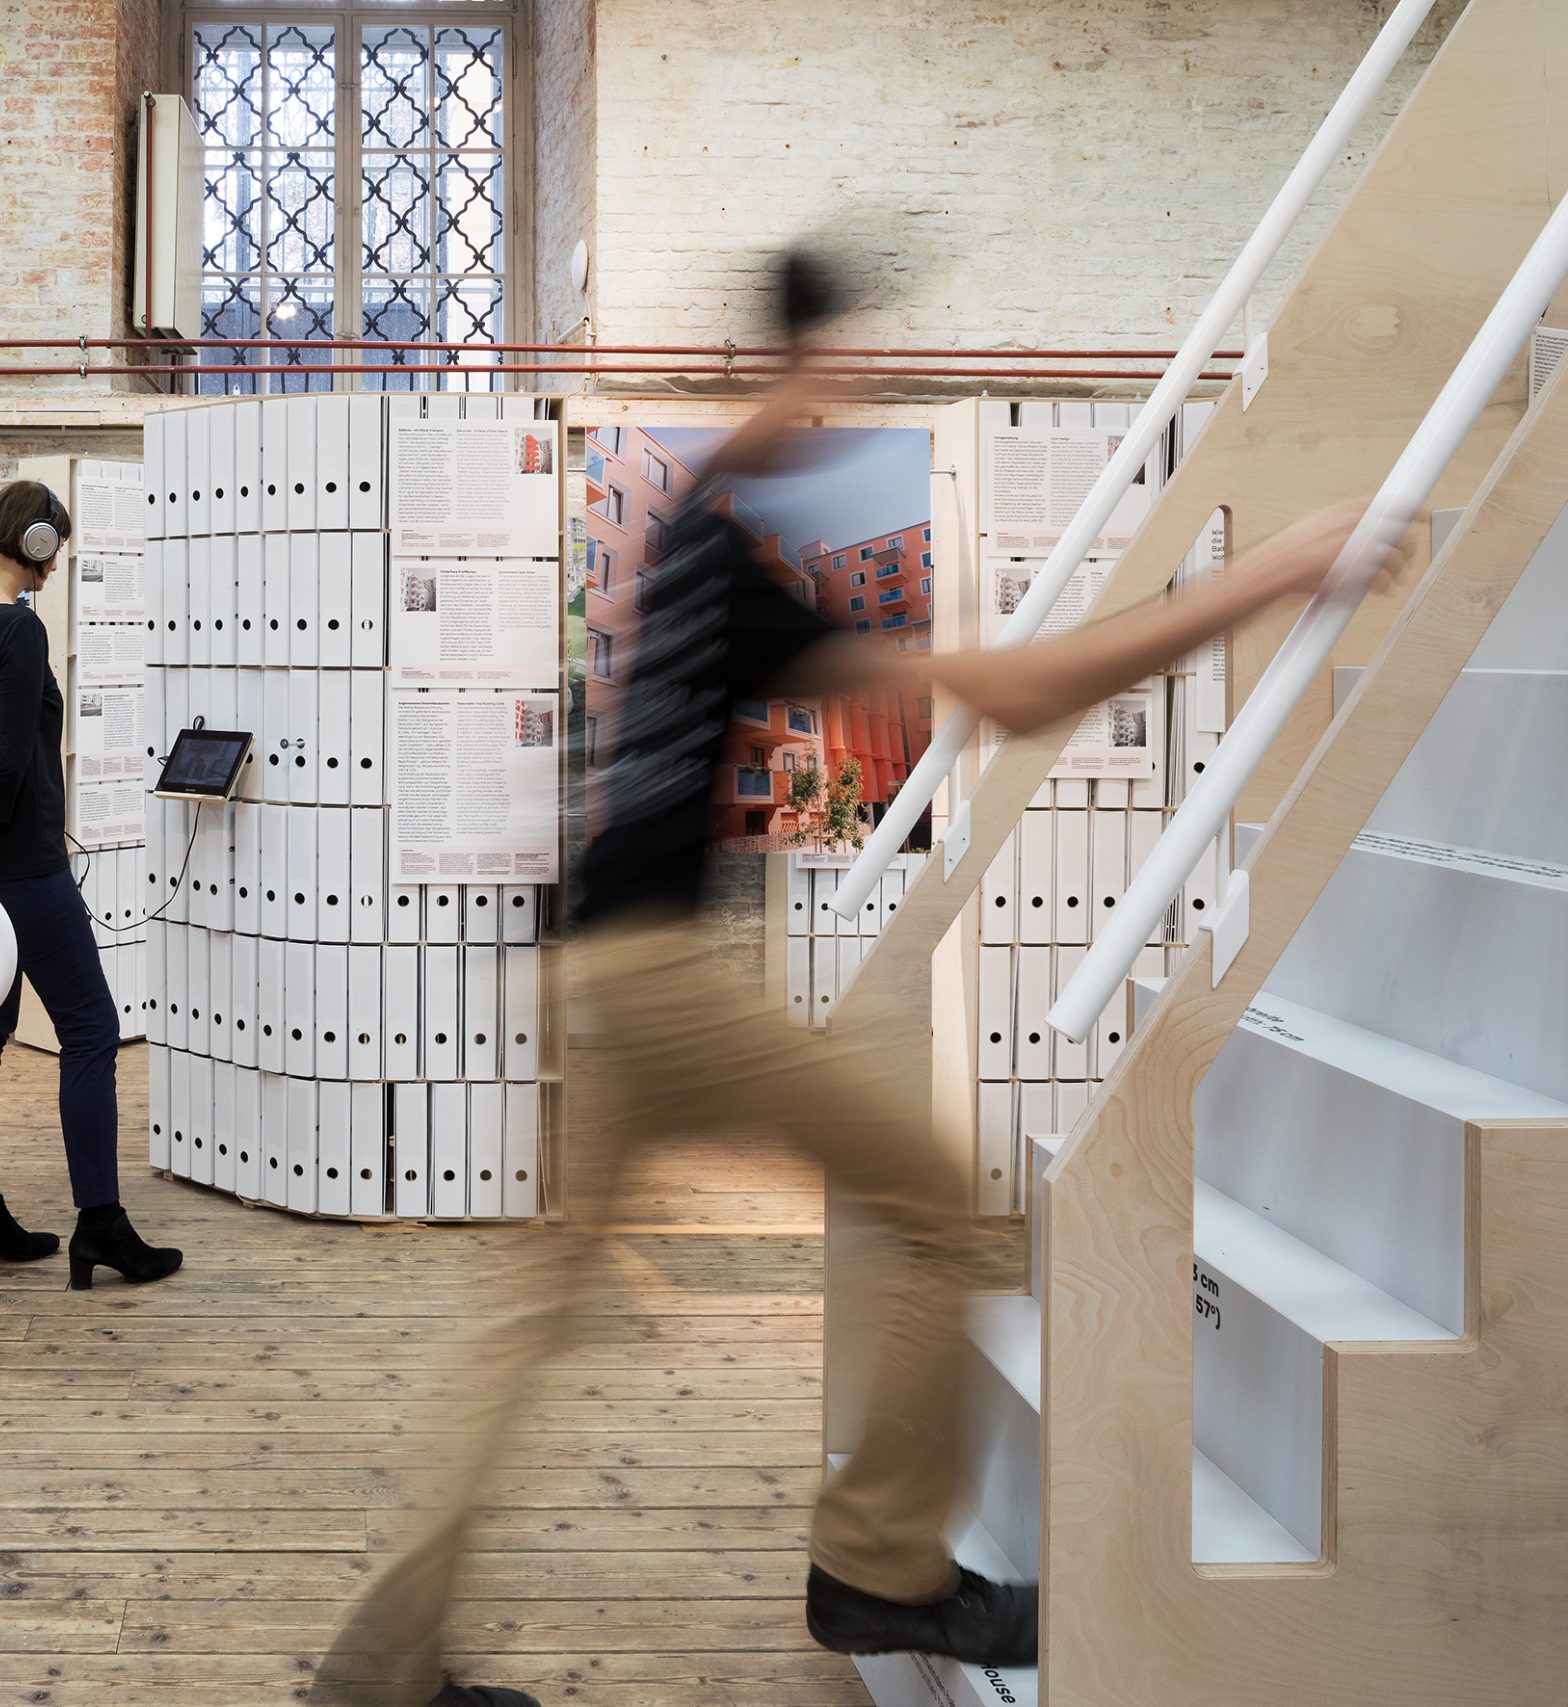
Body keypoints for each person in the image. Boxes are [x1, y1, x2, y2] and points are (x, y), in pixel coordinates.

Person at [313, 250, 1387, 1707]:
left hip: (599, 965)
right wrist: (1264, 573)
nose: (856, 395)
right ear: (798, 362)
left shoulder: (694, 520)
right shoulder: (734, 554)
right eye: (849, 367)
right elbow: (1021, 696)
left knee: (525, 1327)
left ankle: (377, 1669)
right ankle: (880, 1562)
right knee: (946, 1213)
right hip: (659, 985)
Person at [0, 479, 183, 1292]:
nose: (56, 559)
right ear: (32, 541)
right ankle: (102, 1224)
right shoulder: (16, 631)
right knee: (92, 1029)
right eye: (53, 543)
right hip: (25, 870)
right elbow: (8, 768)